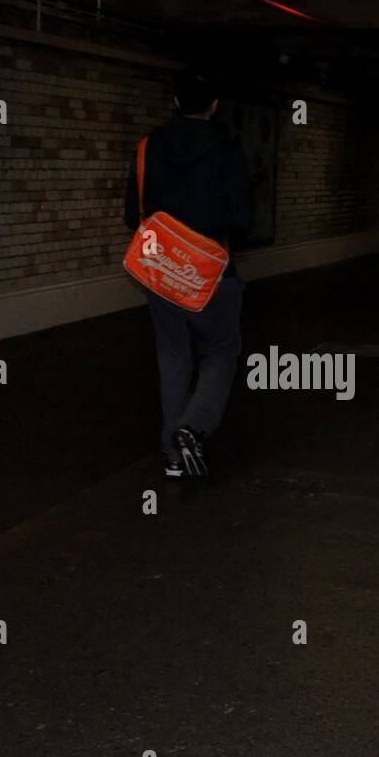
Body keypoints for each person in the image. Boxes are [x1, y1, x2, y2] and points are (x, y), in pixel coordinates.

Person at [124, 70, 253, 479]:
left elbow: (133, 214)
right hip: (211, 274)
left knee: (172, 354)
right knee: (220, 351)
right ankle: (192, 427)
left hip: (161, 270)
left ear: (175, 101)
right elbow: (245, 219)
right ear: (215, 105)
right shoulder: (228, 150)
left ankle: (173, 456)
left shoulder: (147, 147)